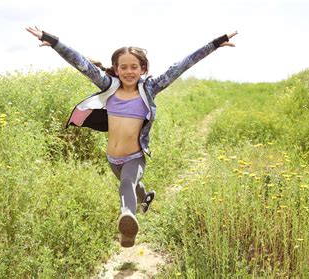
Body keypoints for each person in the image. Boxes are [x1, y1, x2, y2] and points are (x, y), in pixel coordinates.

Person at [26, 26, 237, 247]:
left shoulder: (150, 89)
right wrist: (54, 43)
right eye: (123, 67)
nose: (129, 71)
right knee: (134, 187)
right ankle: (146, 197)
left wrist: (214, 44)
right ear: (116, 69)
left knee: (127, 182)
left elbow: (183, 65)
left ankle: (128, 222)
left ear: (142, 68)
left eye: (134, 67)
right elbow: (82, 65)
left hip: (134, 156)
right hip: (112, 159)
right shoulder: (109, 87)